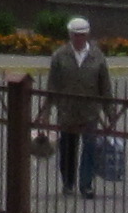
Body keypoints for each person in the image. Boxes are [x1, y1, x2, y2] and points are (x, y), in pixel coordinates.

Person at [47, 19, 110, 195]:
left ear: (87, 35)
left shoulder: (98, 57)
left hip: (90, 111)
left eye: (82, 35)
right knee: (67, 147)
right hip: (67, 110)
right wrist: (47, 111)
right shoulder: (60, 55)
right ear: (70, 35)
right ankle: (68, 183)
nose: (79, 39)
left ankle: (86, 185)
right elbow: (52, 85)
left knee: (90, 147)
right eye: (76, 35)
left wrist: (110, 112)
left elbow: (105, 86)